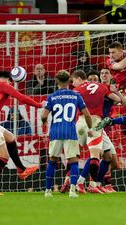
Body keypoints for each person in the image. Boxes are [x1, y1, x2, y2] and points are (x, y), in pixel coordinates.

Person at [0, 70, 42, 195]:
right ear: (7, 79)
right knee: (3, 157)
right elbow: (22, 98)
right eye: (10, 81)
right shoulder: (4, 85)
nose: (11, 83)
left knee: (10, 138)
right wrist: (39, 105)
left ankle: (21, 169)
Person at [41, 70, 92, 198]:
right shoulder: (76, 96)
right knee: (73, 161)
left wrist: (44, 123)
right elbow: (87, 114)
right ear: (69, 81)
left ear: (57, 81)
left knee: (52, 161)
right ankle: (73, 191)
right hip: (70, 131)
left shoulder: (52, 97)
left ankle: (48, 191)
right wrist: (90, 128)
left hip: (56, 131)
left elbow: (43, 115)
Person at [72, 70, 121, 194]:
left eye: (106, 73)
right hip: (96, 124)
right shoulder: (101, 88)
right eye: (102, 73)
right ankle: (88, 183)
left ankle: (93, 183)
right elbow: (116, 100)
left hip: (91, 124)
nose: (104, 75)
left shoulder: (82, 89)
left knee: (109, 157)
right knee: (96, 155)